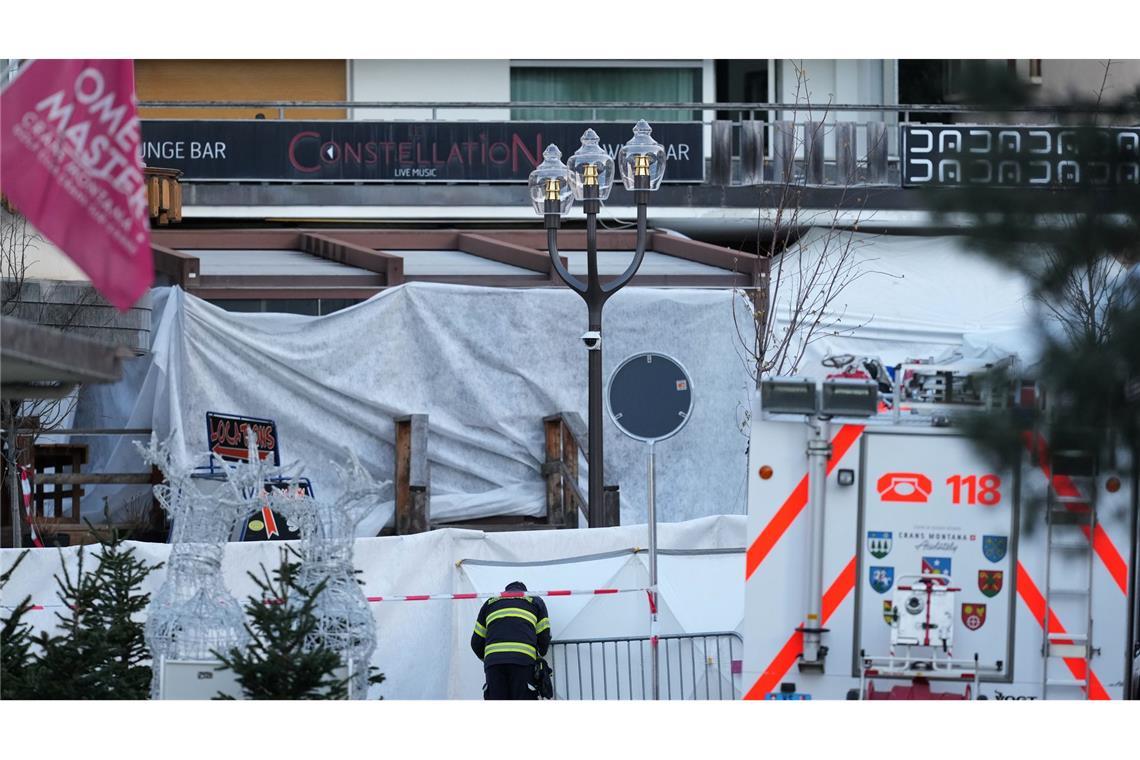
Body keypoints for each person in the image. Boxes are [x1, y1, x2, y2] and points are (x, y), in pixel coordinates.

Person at [470, 581, 551, 700]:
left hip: (494, 664)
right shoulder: (535, 600)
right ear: (525, 591)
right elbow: (543, 635)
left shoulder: (490, 602)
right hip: (523, 661)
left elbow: (476, 643)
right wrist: (541, 653)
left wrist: (492, 657)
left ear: (506, 591)